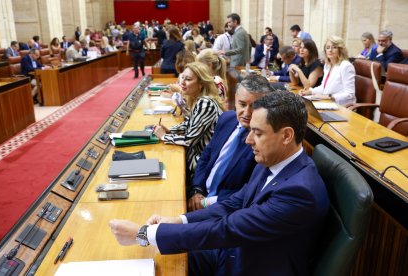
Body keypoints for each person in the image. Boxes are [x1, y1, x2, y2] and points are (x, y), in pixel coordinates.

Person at [109, 91, 330, 276]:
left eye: (258, 133)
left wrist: (143, 234)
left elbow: (228, 228)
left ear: (286, 136)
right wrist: (178, 220)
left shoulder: (300, 192)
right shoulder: (272, 160)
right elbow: (232, 204)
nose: (248, 139)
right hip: (234, 252)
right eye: (250, 129)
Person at [188, 75, 272, 211]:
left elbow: (250, 189)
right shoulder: (226, 119)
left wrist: (206, 202)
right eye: (242, 104)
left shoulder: (264, 141)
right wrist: (197, 189)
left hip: (225, 207)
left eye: (255, 106)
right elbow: (207, 156)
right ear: (235, 101)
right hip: (199, 193)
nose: (247, 112)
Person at [153, 62, 224, 184]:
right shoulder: (198, 99)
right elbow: (190, 123)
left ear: (201, 84)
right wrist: (170, 130)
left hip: (202, 165)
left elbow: (189, 140)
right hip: (198, 158)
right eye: (183, 78)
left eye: (188, 79)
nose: (182, 83)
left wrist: (164, 136)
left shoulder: (205, 103)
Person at [300, 36, 356, 106]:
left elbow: (350, 94)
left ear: (340, 50)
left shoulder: (346, 66)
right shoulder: (327, 66)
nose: (330, 50)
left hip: (342, 106)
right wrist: (310, 91)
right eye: (328, 47)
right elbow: (323, 87)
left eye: (334, 47)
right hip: (328, 103)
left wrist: (329, 97)